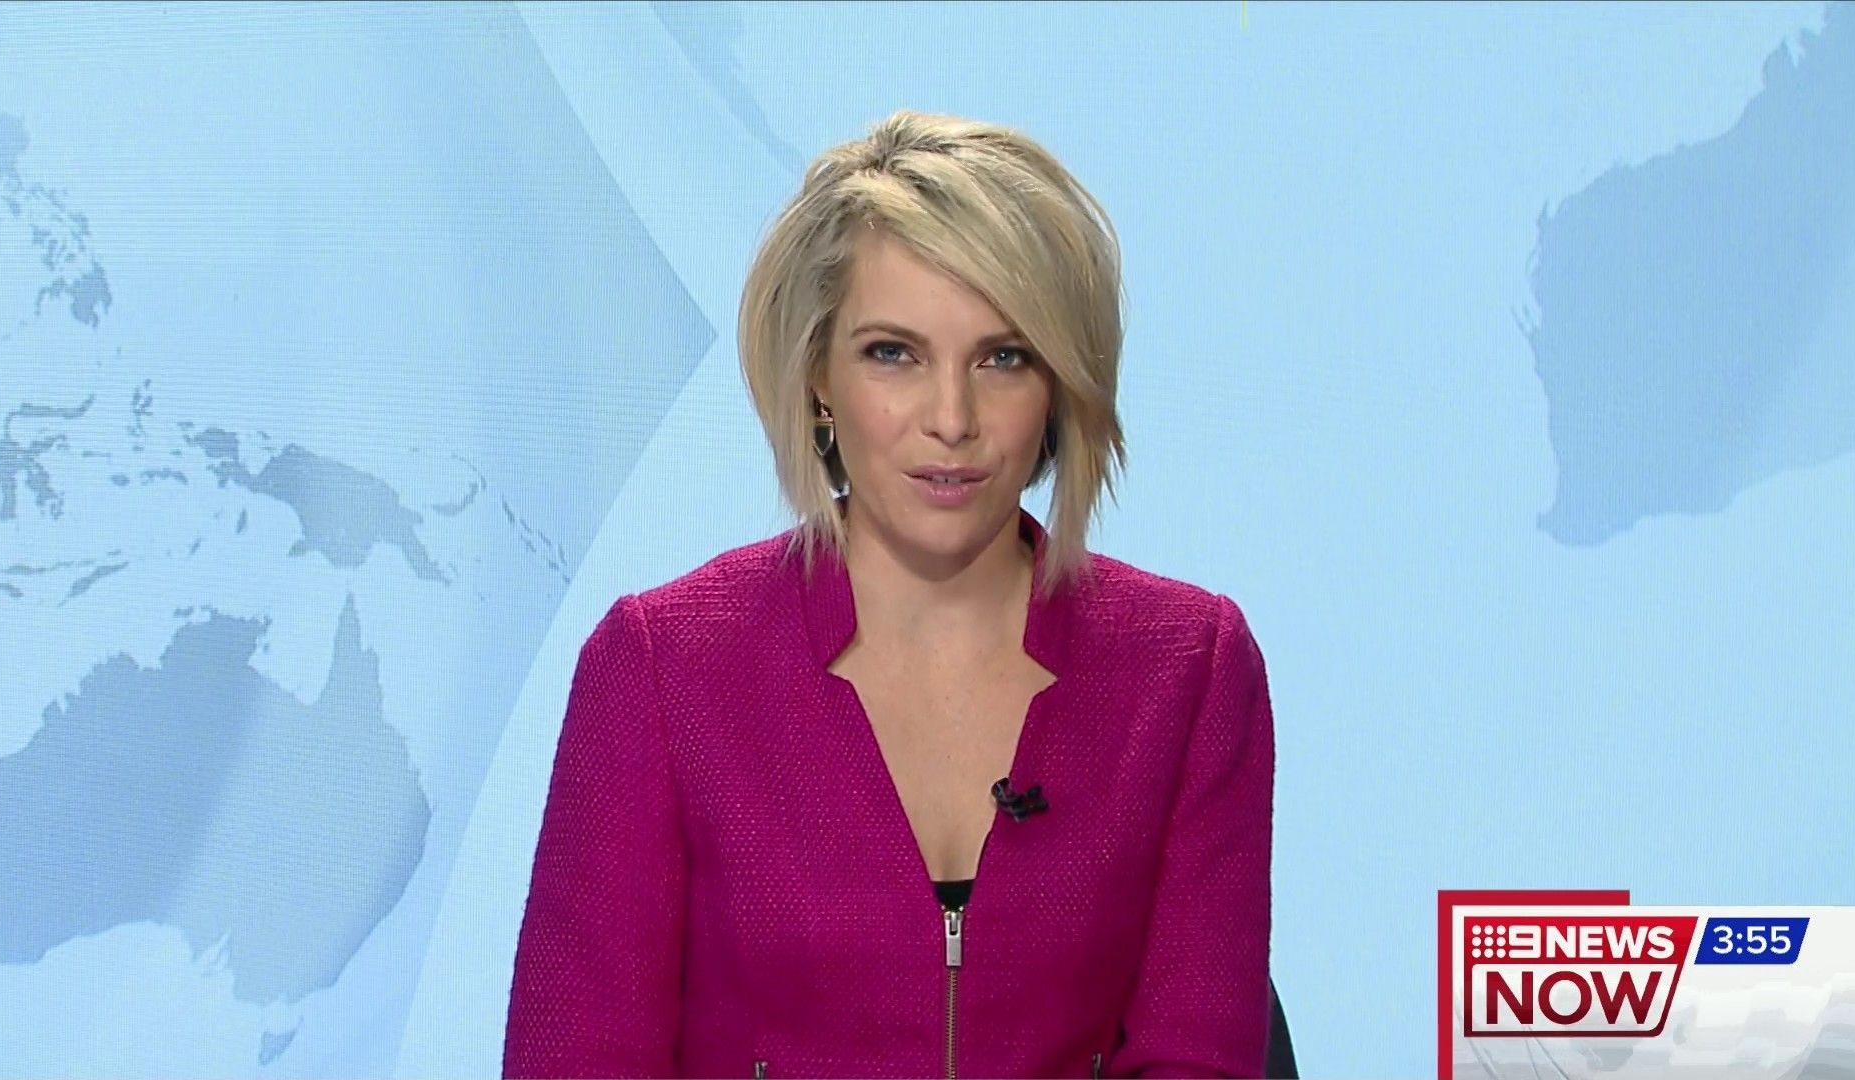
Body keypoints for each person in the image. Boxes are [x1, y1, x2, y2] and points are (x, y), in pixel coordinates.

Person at [504, 109, 1276, 1079]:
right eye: (893, 353)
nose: (951, 419)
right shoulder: (664, 669)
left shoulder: (1187, 668)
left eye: (1004, 357)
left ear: (1059, 387)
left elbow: (1197, 1057)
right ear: (818, 376)